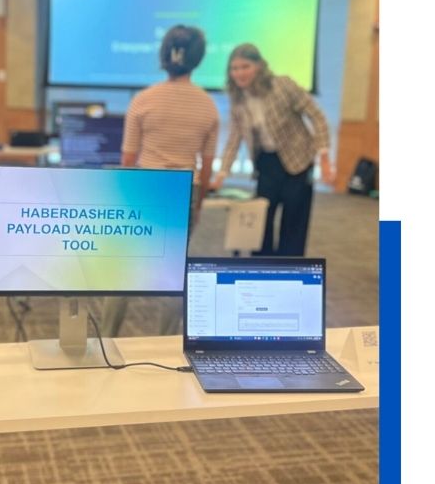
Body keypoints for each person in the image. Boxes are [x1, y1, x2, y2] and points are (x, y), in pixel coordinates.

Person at [102, 25, 219, 336]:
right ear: (198, 58)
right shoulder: (208, 106)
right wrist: (199, 203)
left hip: (145, 187)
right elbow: (206, 166)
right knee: (173, 270)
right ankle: (165, 341)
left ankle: (107, 339)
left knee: (124, 268)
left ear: (164, 55)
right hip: (185, 190)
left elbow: (128, 160)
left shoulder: (143, 99)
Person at [211, 42, 335, 256]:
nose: (239, 73)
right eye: (234, 68)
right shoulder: (238, 99)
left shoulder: (283, 85)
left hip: (297, 162)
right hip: (266, 164)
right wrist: (222, 173)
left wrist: (324, 158)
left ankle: (289, 271)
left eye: (245, 66)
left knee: (294, 224)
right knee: (262, 222)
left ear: (259, 66)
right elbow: (234, 137)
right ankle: (263, 269)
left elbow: (317, 117)